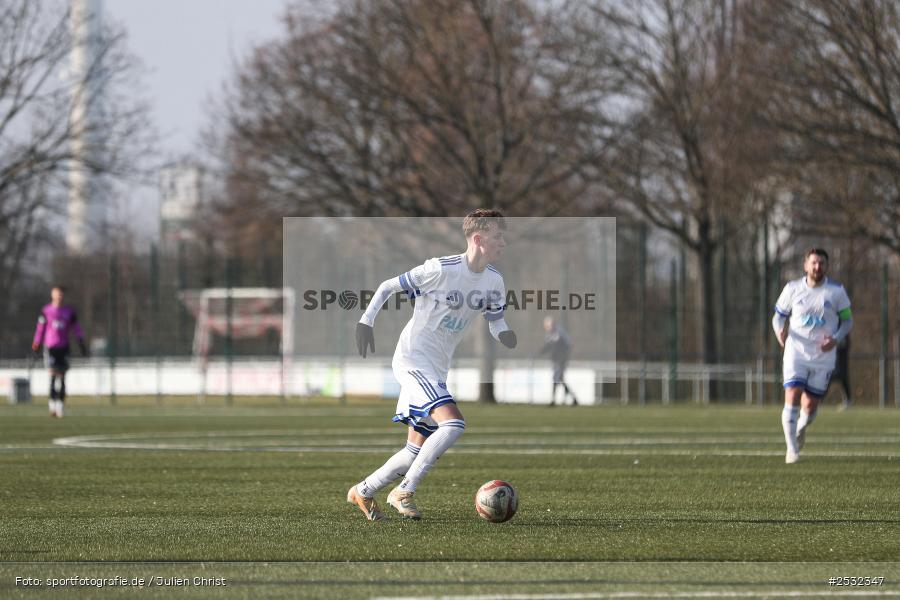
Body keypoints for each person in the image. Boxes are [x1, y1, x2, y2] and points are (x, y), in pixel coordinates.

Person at [348, 209, 517, 521]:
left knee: (413, 451)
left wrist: (504, 333)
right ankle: (404, 491)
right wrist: (365, 322)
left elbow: (496, 319)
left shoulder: (494, 281)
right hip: (413, 358)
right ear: (478, 239)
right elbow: (387, 286)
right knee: (453, 424)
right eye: (497, 236)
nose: (503, 243)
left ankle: (364, 490)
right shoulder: (440, 268)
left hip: (437, 367)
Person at [772, 248, 852, 464]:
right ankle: (792, 450)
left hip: (823, 356)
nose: (817, 267)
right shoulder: (792, 288)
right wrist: (779, 332)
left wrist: (835, 339)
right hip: (796, 352)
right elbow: (778, 317)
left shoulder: (836, 291)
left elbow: (847, 321)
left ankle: (801, 426)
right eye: (814, 263)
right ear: (806, 265)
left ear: (827, 266)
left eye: (821, 263)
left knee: (810, 405)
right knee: (792, 394)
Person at [31, 285, 88, 418]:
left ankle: (60, 407)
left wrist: (81, 343)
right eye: (56, 293)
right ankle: (52, 406)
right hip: (50, 347)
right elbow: (40, 329)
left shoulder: (69, 312)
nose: (59, 296)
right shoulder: (46, 311)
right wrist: (36, 344)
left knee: (62, 378)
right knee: (52, 376)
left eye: (61, 294)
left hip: (64, 347)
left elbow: (77, 328)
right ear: (52, 295)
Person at [536, 316, 578, 406]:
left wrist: (564, 356)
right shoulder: (548, 334)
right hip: (555, 360)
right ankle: (574, 399)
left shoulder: (560, 331)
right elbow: (547, 346)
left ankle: (553, 400)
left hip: (561, 360)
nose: (546, 327)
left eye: (547, 325)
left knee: (556, 378)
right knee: (560, 379)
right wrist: (539, 353)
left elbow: (569, 344)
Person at [833, 335, 852, 410]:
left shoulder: (843, 333)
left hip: (840, 361)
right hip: (833, 359)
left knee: (843, 378)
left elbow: (845, 344)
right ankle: (817, 398)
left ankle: (848, 401)